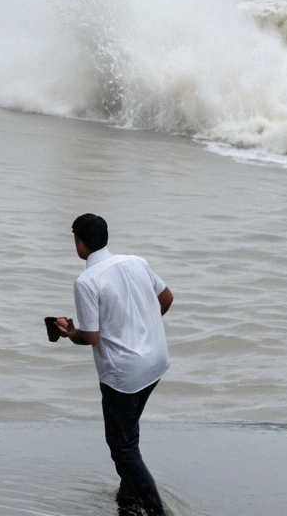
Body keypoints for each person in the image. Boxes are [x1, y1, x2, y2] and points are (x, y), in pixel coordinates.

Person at [55, 213, 174, 516]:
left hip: (123, 374)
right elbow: (167, 298)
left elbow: (91, 337)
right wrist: (140, 327)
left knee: (122, 446)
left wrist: (70, 333)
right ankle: (128, 497)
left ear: (79, 242)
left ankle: (156, 510)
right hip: (156, 361)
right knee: (127, 435)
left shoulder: (86, 281)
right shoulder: (136, 262)